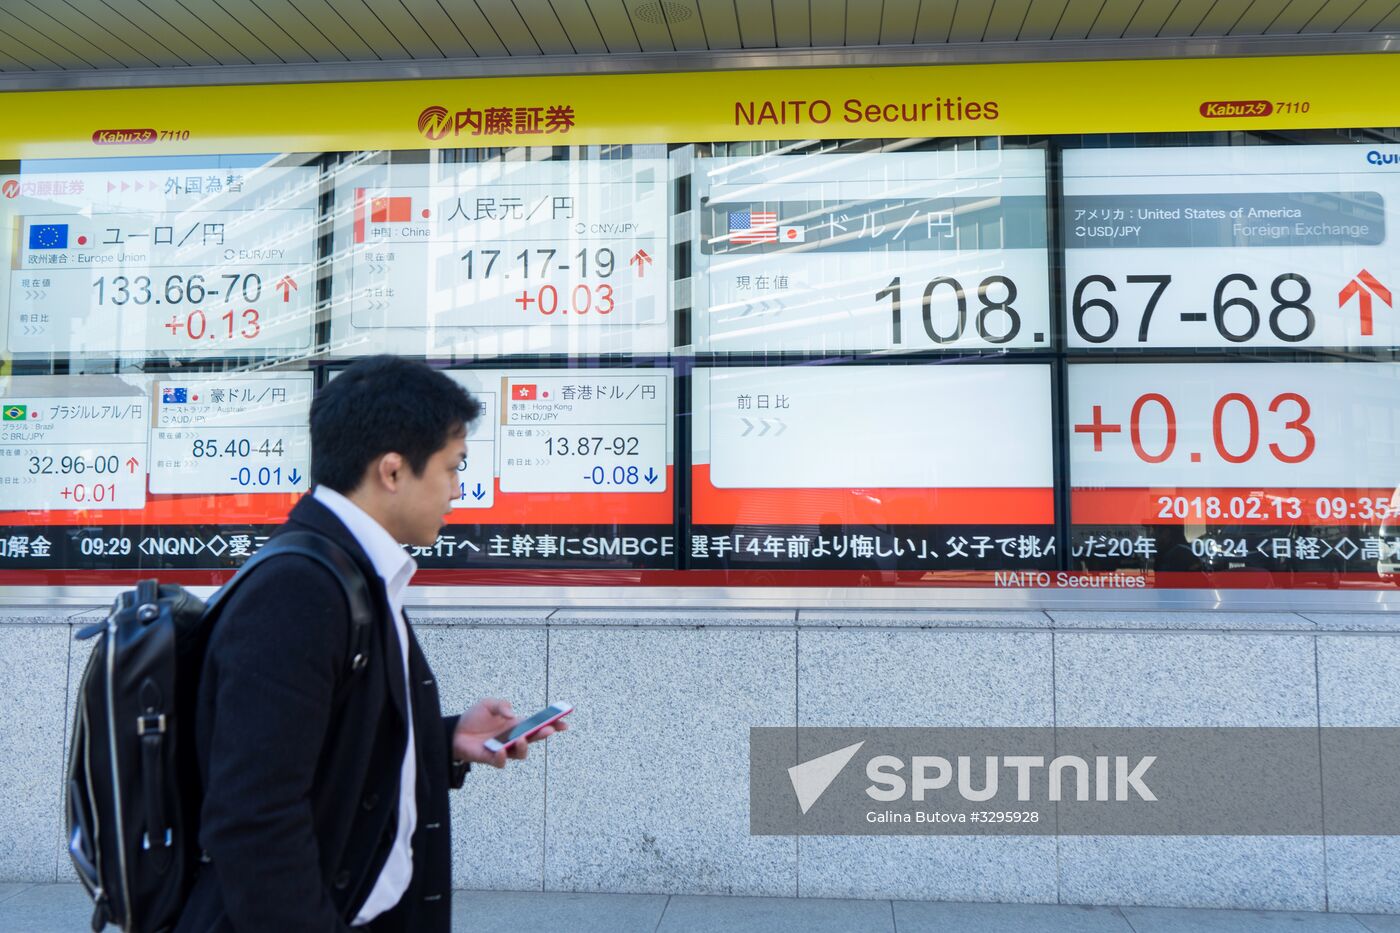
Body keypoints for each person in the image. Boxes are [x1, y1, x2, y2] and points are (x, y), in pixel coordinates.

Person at [176, 355, 565, 933]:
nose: (458, 490)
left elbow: (324, 744)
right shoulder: (299, 590)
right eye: (452, 467)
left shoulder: (349, 569)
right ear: (392, 471)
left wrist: (443, 739)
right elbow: (253, 819)